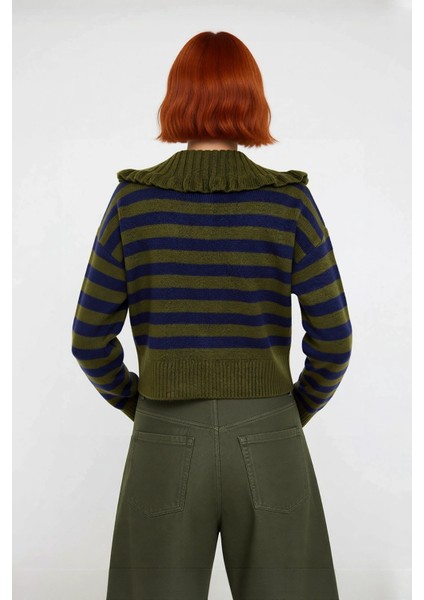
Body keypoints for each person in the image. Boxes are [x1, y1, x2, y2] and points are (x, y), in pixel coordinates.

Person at [71, 30, 352, 600]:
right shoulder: (288, 202)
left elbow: (89, 337)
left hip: (164, 432)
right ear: (252, 99)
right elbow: (334, 339)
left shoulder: (134, 203)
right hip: (270, 431)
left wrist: (142, 405)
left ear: (176, 97)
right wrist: (289, 411)